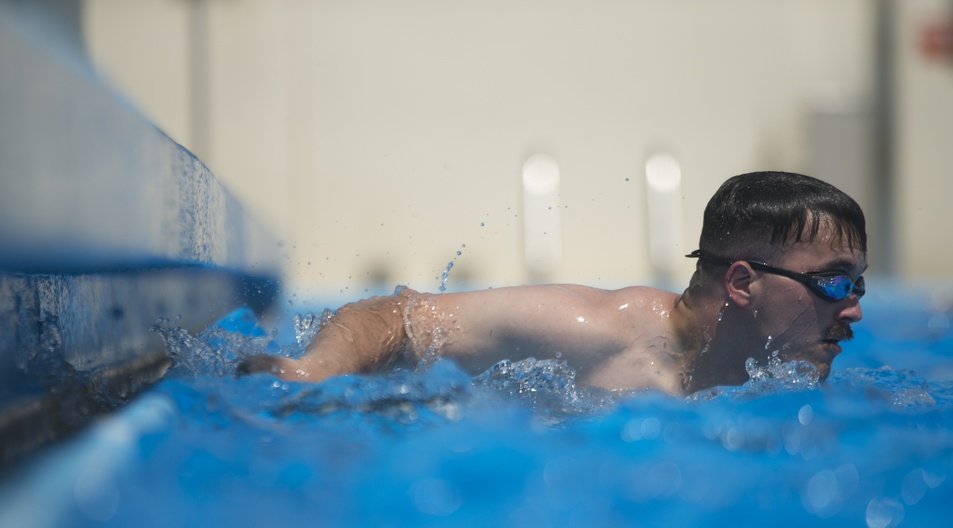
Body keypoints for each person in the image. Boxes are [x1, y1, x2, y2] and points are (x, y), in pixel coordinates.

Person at [238, 171, 867, 395]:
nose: (855, 312)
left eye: (859, 287)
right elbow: (395, 317)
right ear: (740, 283)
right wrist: (313, 373)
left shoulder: (781, 385)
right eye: (835, 284)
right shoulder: (595, 331)